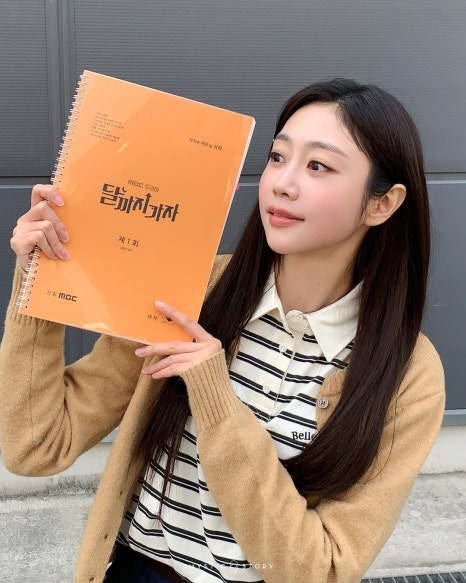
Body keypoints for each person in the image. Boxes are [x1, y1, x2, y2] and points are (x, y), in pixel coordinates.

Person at [0, 78, 445, 583]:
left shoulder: (409, 375)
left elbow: (324, 570)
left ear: (381, 204)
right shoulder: (188, 289)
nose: (282, 183)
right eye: (278, 157)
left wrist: (215, 398)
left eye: (318, 166)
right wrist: (38, 286)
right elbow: (37, 448)